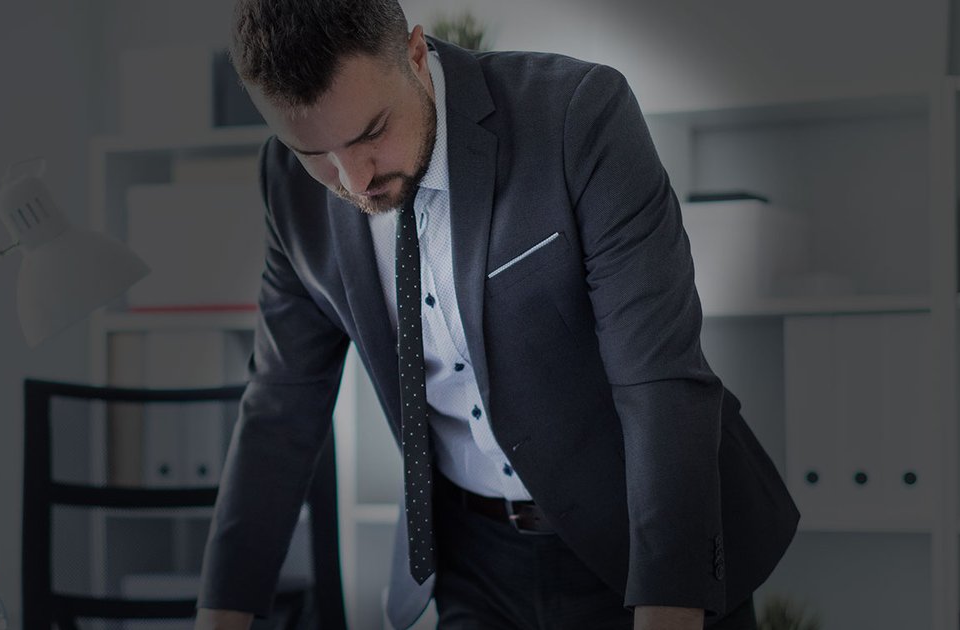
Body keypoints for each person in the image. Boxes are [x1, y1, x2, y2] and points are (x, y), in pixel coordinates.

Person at [194, 1, 800, 628]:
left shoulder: (575, 114)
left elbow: (658, 378)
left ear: (414, 54)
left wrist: (668, 607)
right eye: (312, 151)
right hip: (472, 561)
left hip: (643, 539)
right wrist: (220, 616)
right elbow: (280, 408)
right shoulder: (286, 185)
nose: (354, 180)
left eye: (371, 132)